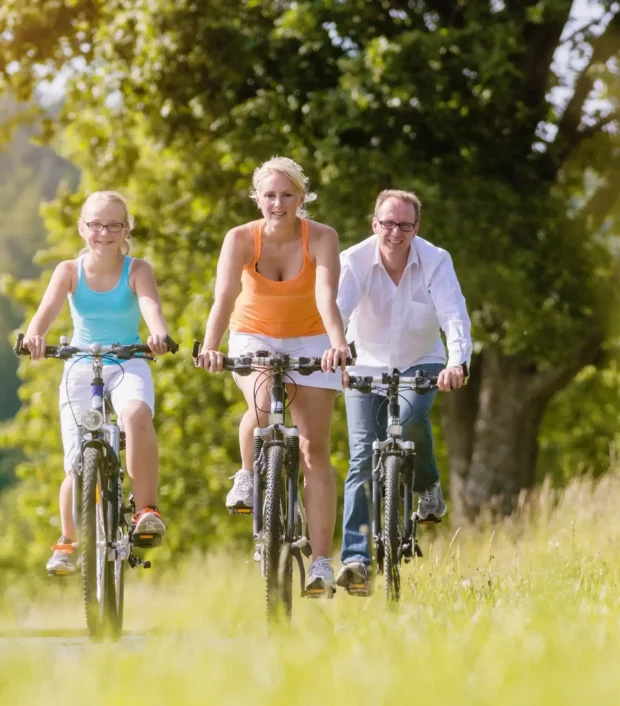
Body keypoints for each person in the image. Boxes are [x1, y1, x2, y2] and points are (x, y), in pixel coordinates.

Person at [195, 156, 350, 595]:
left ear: (302, 198)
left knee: (314, 448)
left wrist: (337, 344)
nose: (278, 203)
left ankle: (321, 561)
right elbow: (223, 296)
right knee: (261, 400)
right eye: (269, 195)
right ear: (257, 198)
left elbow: (326, 297)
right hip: (253, 334)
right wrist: (210, 345)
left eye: (287, 195)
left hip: (311, 338)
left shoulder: (321, 237)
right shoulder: (241, 238)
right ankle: (247, 474)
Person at [21, 191, 173, 576]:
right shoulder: (69, 271)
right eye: (95, 225)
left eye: (113, 225)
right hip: (80, 363)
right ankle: (68, 540)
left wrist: (157, 333)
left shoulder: (138, 269)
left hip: (128, 360)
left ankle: (146, 511)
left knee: (136, 414)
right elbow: (47, 311)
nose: (103, 233)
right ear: (81, 228)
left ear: (126, 230)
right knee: (77, 461)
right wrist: (34, 336)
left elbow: (150, 306)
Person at [335, 189, 472, 595]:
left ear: (417, 228)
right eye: (388, 223)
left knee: (412, 419)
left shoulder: (436, 260)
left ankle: (427, 484)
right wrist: (335, 355)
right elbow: (337, 313)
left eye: (405, 225)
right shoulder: (354, 260)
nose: (395, 232)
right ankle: (356, 558)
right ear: (374, 224)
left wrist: (457, 363)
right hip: (364, 366)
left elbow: (454, 315)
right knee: (361, 457)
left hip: (422, 362)